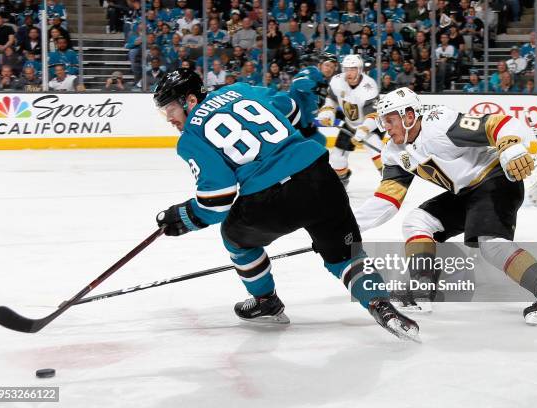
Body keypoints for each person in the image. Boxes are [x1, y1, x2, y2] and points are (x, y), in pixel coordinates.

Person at [151, 68, 420, 341]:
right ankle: (380, 305)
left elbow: (218, 200)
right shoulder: (242, 90)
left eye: (171, 108)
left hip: (270, 199)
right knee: (345, 256)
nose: (170, 118)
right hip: (320, 177)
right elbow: (291, 109)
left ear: (191, 100)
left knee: (235, 238)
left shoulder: (191, 138)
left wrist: (183, 217)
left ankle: (265, 300)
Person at [353, 87, 537, 325]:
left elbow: (497, 123)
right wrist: (346, 226)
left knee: (491, 245)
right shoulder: (393, 152)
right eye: (383, 121)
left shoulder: (439, 124)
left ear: (409, 116)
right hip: (466, 192)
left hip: (495, 180)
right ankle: (423, 288)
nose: (385, 127)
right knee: (417, 222)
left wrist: (511, 145)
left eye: (390, 120)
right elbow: (386, 200)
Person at [317, 54, 384, 187]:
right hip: (349, 125)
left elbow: (373, 114)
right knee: (336, 158)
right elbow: (332, 99)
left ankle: (390, 180)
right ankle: (343, 180)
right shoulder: (337, 81)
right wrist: (328, 111)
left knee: (379, 154)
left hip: (370, 126)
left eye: (353, 69)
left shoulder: (369, 85)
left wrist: (364, 130)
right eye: (346, 69)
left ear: (359, 70)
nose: (349, 72)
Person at [288, 53, 338, 146]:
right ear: (319, 65)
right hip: (292, 120)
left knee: (320, 142)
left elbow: (315, 107)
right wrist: (317, 87)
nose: (329, 69)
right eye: (327, 65)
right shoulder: (312, 71)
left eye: (332, 67)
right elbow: (297, 81)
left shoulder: (325, 85)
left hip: (305, 124)